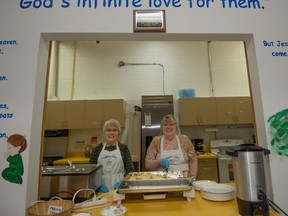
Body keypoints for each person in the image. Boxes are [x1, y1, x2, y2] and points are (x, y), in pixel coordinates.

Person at [90, 119, 134, 192]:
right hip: (101, 188)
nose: (111, 133)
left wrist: (123, 183)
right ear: (104, 133)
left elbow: (130, 171)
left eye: (115, 130)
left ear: (118, 133)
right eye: (108, 130)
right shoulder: (96, 150)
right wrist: (97, 186)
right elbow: (91, 173)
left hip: (119, 188)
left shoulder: (123, 148)